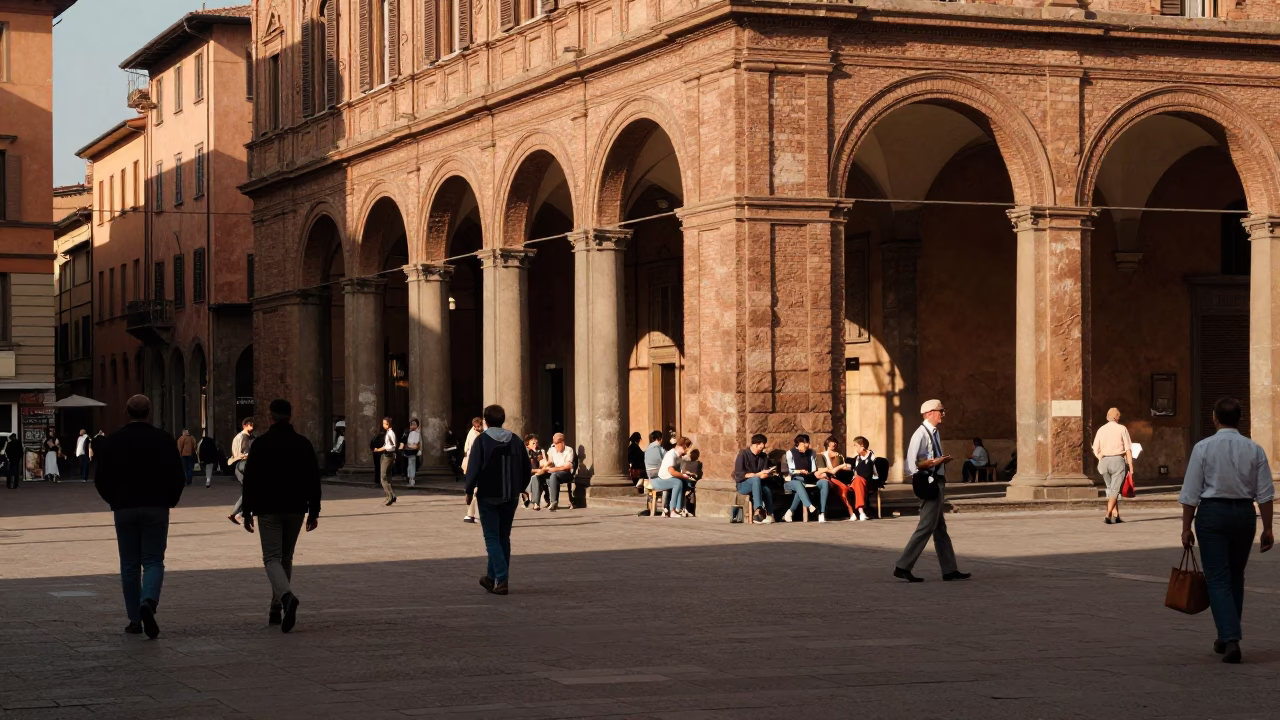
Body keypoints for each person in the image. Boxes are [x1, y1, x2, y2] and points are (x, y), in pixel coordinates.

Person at [1179, 396, 1274, 664]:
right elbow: (1265, 494)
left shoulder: (1203, 448)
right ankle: (1225, 635)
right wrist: (1268, 528)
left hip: (1212, 514)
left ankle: (1231, 637)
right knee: (1235, 575)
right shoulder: (1255, 449)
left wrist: (1186, 528)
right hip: (1244, 514)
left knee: (1217, 578)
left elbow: (1191, 492)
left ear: (1214, 418)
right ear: (1240, 418)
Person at [93, 395, 185, 638]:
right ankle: (148, 601)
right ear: (149, 412)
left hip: (124, 507)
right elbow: (178, 475)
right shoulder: (164, 439)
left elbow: (100, 477)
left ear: (126, 411)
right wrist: (170, 500)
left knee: (130, 564)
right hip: (156, 506)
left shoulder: (113, 441)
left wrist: (114, 499)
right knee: (154, 560)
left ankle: (134, 619)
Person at [240, 399, 322, 633]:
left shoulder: (261, 444)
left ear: (270, 417)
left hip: (268, 508)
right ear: (290, 415)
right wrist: (314, 511)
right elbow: (313, 481)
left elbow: (250, 481)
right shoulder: (303, 444)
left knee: (272, 558)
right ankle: (276, 607)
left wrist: (247, 511)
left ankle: (285, 597)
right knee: (285, 557)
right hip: (296, 508)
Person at [894, 399, 968, 582]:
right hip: (929, 482)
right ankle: (903, 565)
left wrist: (940, 461)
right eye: (940, 411)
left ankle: (950, 570)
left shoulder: (933, 432)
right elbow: (911, 465)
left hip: (936, 480)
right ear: (929, 413)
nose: (943, 414)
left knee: (940, 528)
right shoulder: (920, 434)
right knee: (926, 526)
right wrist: (935, 462)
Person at [465, 404, 532, 596]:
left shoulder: (482, 441)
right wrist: (520, 488)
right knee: (503, 537)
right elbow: (526, 468)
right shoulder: (516, 440)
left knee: (492, 538)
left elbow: (474, 468)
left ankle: (501, 579)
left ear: (485, 420)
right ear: (503, 419)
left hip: (488, 494)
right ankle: (490, 577)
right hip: (510, 495)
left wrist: (469, 490)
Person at [1092, 407, 1133, 524]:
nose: (1120, 416)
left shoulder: (1101, 429)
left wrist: (1101, 457)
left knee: (1111, 489)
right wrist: (1131, 465)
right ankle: (1107, 515)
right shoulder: (1122, 428)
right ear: (1116, 417)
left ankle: (1116, 515)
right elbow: (1128, 448)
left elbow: (1095, 447)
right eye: (1119, 414)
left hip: (1104, 462)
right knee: (1115, 490)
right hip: (1117, 461)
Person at [732, 434, 775, 523]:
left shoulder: (763, 456)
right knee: (755, 479)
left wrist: (766, 474)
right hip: (743, 485)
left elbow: (765, 471)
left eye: (762, 448)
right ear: (755, 444)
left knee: (767, 489)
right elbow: (739, 475)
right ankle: (757, 511)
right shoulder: (742, 455)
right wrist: (757, 475)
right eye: (760, 447)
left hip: (759, 483)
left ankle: (770, 514)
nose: (761, 449)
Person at [783, 434, 825, 522]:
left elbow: (813, 469)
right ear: (798, 444)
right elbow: (790, 470)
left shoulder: (811, 453)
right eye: (804, 443)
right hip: (792, 480)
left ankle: (790, 512)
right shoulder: (790, 453)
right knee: (799, 484)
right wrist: (799, 471)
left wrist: (815, 473)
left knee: (801, 487)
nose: (807, 445)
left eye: (807, 443)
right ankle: (809, 505)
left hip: (806, 479)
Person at [817, 437, 859, 521]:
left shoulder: (839, 456)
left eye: (835, 442)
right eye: (832, 442)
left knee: (844, 489)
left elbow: (846, 468)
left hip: (837, 478)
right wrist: (840, 467)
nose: (834, 444)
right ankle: (822, 513)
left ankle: (852, 513)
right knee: (843, 488)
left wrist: (841, 467)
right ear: (827, 443)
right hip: (825, 478)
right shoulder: (821, 455)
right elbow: (824, 470)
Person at [654, 437, 693, 518]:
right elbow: (671, 471)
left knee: (684, 482)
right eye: (686, 447)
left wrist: (685, 473)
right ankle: (673, 510)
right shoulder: (671, 455)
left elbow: (677, 471)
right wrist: (683, 475)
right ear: (682, 446)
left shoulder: (678, 456)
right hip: (662, 479)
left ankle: (679, 508)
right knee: (677, 482)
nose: (686, 450)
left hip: (669, 478)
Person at [227, 418, 255, 525]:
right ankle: (239, 514)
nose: (251, 428)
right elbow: (237, 453)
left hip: (245, 466)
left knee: (249, 490)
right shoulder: (241, 437)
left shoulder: (250, 437)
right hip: (242, 465)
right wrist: (246, 455)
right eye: (250, 425)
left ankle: (240, 514)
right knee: (249, 490)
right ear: (245, 426)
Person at [847, 436, 879, 521]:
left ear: (862, 446)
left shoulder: (872, 457)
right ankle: (861, 512)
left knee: (858, 481)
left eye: (856, 446)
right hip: (857, 481)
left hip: (869, 481)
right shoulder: (857, 458)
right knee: (855, 482)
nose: (855, 448)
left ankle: (857, 512)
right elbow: (854, 471)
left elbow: (873, 473)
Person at [544, 432, 575, 512]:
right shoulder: (552, 449)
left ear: (562, 442)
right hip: (555, 472)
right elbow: (550, 461)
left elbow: (568, 466)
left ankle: (553, 501)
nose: (555, 446)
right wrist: (545, 466)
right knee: (545, 477)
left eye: (557, 444)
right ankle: (549, 502)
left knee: (553, 476)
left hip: (565, 473)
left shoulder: (569, 450)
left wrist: (554, 469)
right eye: (554, 444)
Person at [461, 417, 483, 523]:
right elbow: (468, 449)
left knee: (476, 489)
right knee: (475, 489)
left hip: (475, 463)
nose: (478, 428)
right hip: (474, 463)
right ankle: (472, 514)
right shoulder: (475, 435)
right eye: (476, 427)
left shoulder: (478, 434)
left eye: (479, 426)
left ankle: (471, 514)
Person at [375, 416, 398, 506]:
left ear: (388, 424)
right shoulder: (389, 433)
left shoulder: (390, 433)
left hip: (388, 455)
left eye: (384, 423)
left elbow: (390, 446)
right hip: (388, 455)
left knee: (383, 477)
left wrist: (378, 449)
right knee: (387, 477)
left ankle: (390, 496)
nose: (383, 425)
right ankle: (392, 495)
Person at [524, 434, 551, 509]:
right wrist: (537, 470)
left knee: (548, 476)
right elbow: (525, 469)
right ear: (527, 443)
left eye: (536, 443)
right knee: (535, 478)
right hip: (526, 476)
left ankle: (549, 501)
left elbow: (544, 464)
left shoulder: (538, 451)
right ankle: (536, 503)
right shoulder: (525, 452)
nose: (535, 445)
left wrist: (543, 455)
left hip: (538, 474)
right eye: (533, 443)